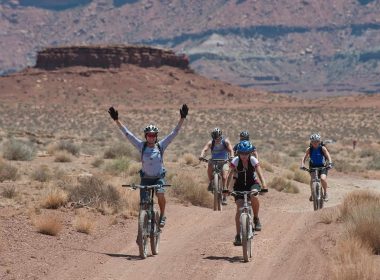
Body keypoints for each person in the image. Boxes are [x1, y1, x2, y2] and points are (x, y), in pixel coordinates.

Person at [108, 104, 188, 227]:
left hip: (158, 177)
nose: (151, 137)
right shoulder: (141, 146)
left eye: (153, 135)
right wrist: (116, 120)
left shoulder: (161, 146)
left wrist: (182, 118)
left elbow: (174, 133)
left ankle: (162, 215)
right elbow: (128, 134)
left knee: (160, 193)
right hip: (145, 178)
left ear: (156, 137)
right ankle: (143, 232)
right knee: (144, 203)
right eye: (149, 135)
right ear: (146, 136)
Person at [227, 140, 267, 246]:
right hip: (239, 186)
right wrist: (226, 188)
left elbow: (259, 172)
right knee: (239, 208)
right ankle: (238, 234)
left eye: (246, 153)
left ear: (249, 153)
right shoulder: (235, 160)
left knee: (254, 195)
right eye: (242, 153)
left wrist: (264, 185)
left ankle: (256, 218)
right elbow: (229, 174)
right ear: (238, 153)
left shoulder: (253, 160)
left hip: (252, 184)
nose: (244, 156)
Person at [199, 128, 234, 205]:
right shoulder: (211, 142)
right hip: (214, 160)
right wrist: (201, 155)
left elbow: (231, 150)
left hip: (224, 161)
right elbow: (205, 149)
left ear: (220, 136)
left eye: (218, 138)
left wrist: (231, 156)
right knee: (209, 164)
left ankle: (224, 197)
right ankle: (211, 182)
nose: (216, 139)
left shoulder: (225, 142)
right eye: (215, 138)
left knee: (224, 177)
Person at [300, 133, 333, 202]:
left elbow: (328, 155)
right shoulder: (309, 149)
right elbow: (304, 158)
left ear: (319, 142)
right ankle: (313, 193)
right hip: (313, 167)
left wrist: (330, 163)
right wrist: (302, 165)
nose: (315, 143)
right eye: (313, 141)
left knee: (322, 179)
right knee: (312, 179)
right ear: (311, 142)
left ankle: (325, 193)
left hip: (322, 166)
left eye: (317, 141)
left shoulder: (322, 148)